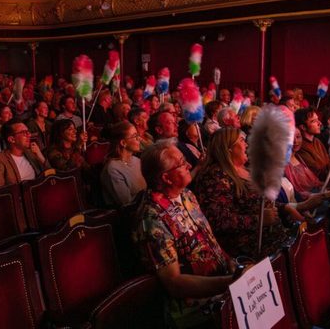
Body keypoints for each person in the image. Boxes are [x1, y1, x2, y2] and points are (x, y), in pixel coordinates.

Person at [134, 140, 237, 328]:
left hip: (221, 286)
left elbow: (209, 240)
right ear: (166, 178)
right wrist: (228, 283)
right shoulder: (152, 218)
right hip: (196, 310)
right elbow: (174, 283)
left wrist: (230, 263)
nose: (189, 165)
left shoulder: (187, 195)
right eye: (182, 163)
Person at [194, 127, 291, 258]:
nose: (246, 144)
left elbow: (262, 205)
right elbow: (220, 221)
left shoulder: (246, 169)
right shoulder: (214, 176)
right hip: (252, 251)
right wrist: (258, 220)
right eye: (241, 140)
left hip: (277, 240)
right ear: (229, 148)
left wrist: (289, 208)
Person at [0, 118, 49, 187]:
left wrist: (40, 156)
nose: (29, 135)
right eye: (24, 133)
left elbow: (51, 176)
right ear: (12, 139)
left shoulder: (31, 153)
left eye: (28, 131)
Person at [100, 121, 147, 207]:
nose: (139, 139)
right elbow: (127, 204)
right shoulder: (113, 169)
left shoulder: (137, 160)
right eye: (135, 136)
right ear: (123, 143)